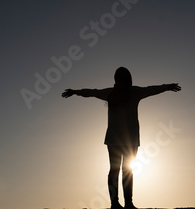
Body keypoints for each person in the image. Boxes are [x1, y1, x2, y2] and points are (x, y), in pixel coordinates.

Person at [62, 67, 181, 209]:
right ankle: (122, 203)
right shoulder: (129, 92)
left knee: (119, 170)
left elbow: (92, 92)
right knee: (123, 170)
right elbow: (92, 92)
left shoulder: (118, 93)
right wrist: (76, 92)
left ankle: (121, 203)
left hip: (118, 139)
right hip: (125, 139)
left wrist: (75, 92)